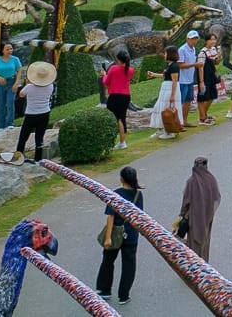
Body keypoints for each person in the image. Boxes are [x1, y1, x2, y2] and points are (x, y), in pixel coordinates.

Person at [94, 164, 141, 302]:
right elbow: (140, 216)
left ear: (122, 179)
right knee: (129, 265)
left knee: (108, 261)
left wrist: (107, 238)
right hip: (131, 235)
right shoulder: (138, 194)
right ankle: (123, 295)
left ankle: (104, 289)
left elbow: (110, 216)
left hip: (115, 233)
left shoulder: (115, 194)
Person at [179, 157, 222, 261]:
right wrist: (209, 211)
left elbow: (186, 201)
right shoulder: (211, 179)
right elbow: (217, 197)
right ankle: (204, 263)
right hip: (207, 216)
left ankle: (194, 266)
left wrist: (182, 214)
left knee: (194, 241)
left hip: (194, 217)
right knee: (205, 240)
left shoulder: (191, 181)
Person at [16, 61, 55, 161]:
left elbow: (21, 94)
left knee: (23, 138)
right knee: (39, 138)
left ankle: (18, 156)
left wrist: (27, 83)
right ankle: (38, 159)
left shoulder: (29, 87)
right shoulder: (51, 86)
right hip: (45, 113)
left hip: (31, 114)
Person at [101, 49, 135, 148]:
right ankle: (122, 141)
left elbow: (106, 82)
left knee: (114, 118)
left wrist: (104, 75)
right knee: (122, 118)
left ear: (118, 59)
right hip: (126, 96)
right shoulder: (131, 70)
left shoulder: (114, 68)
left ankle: (113, 141)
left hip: (115, 96)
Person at [196, 32, 222, 125]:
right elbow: (200, 67)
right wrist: (201, 81)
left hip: (211, 76)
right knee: (202, 97)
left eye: (214, 39)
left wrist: (218, 57)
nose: (213, 41)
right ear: (206, 41)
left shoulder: (213, 50)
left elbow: (216, 63)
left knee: (212, 96)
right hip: (204, 77)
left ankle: (204, 115)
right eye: (211, 39)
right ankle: (202, 118)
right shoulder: (202, 52)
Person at [175, 29, 201, 118]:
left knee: (188, 101)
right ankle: (178, 121)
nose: (194, 41)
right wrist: (194, 64)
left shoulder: (193, 49)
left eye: (195, 39)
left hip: (190, 79)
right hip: (182, 80)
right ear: (187, 39)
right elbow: (180, 65)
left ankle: (184, 120)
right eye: (192, 39)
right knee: (181, 102)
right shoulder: (182, 50)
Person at [0, 42, 18, 134]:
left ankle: (10, 123)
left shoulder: (15, 59)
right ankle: (0, 125)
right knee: (1, 104)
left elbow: (19, 71)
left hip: (11, 82)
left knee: (10, 103)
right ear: (2, 50)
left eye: (11, 49)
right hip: (0, 83)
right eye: (7, 49)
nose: (10, 51)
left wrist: (16, 83)